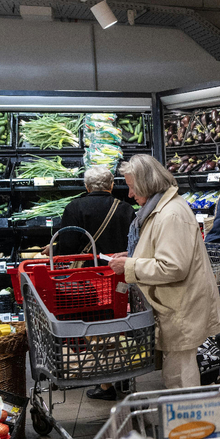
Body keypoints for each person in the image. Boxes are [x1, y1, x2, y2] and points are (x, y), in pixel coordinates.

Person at [108, 154, 220, 389]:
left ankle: (190, 422)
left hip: (182, 306)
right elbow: (162, 251)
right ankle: (185, 421)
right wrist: (131, 257)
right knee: (177, 371)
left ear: (147, 184)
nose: (129, 194)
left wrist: (129, 266)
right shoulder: (160, 208)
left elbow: (173, 267)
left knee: (181, 375)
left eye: (132, 187)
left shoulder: (170, 214)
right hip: (175, 304)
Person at [41, 166, 136, 401]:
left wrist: (55, 248)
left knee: (90, 324)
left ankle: (101, 377)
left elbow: (70, 247)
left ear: (86, 187)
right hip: (118, 278)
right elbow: (134, 244)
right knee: (117, 321)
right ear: (112, 185)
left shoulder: (74, 208)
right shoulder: (125, 208)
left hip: (86, 281)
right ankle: (121, 371)